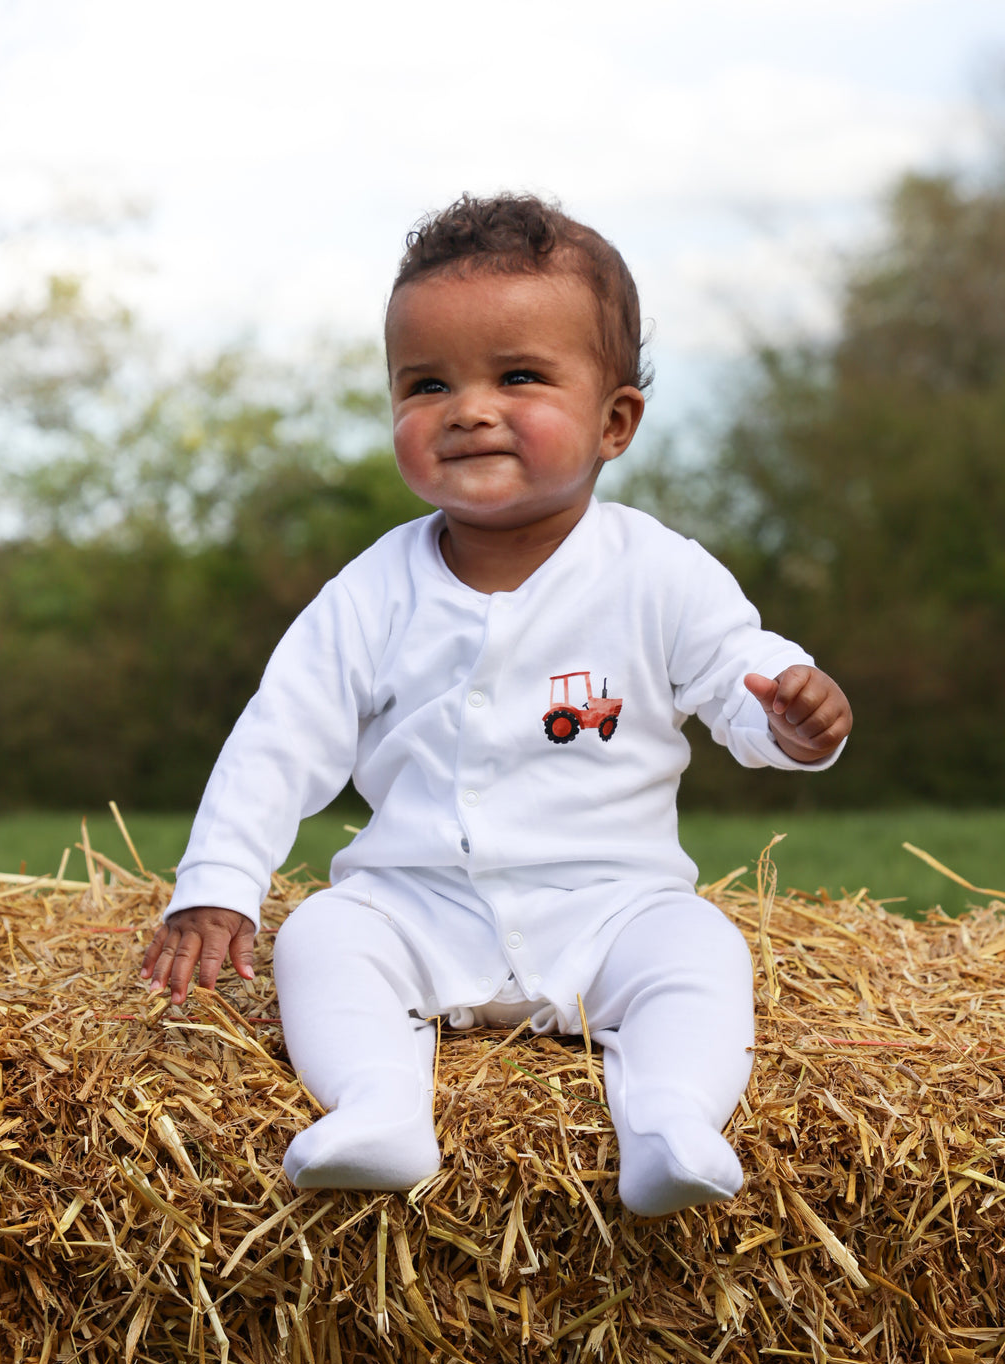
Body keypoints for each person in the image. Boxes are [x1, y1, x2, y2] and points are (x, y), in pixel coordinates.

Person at [141, 194, 851, 1217]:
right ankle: (378, 1106)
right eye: (426, 384)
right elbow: (279, 735)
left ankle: (669, 1119)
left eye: (517, 376)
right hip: (416, 903)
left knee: (701, 951)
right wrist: (217, 882)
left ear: (615, 422)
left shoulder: (657, 572)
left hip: (613, 903)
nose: (468, 408)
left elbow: (738, 674)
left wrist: (788, 719)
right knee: (323, 937)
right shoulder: (372, 590)